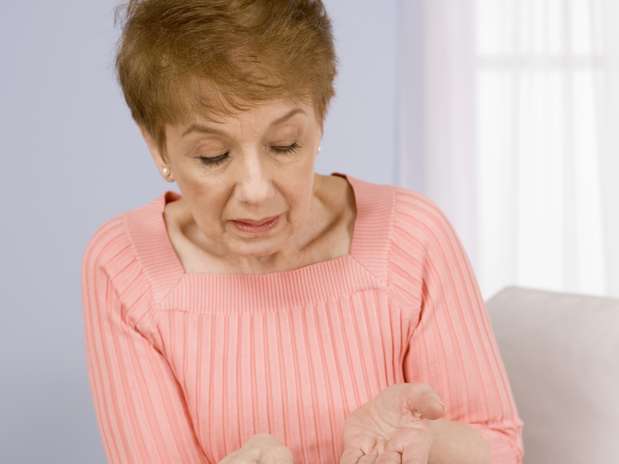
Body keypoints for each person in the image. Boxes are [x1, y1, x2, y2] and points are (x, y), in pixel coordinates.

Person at [81, 1, 524, 463]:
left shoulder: (411, 237)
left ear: (321, 114)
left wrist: (430, 445)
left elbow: (498, 445)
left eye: (284, 145)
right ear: (156, 143)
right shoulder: (125, 267)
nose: (255, 190)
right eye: (213, 155)